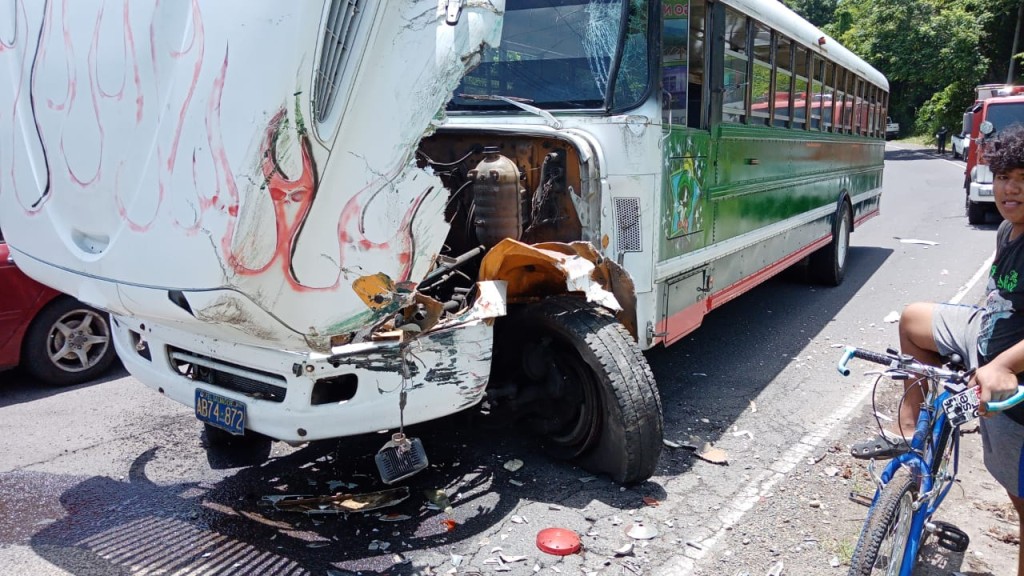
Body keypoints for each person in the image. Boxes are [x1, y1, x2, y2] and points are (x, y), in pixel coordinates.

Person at [852, 123, 1024, 575]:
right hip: (985, 332)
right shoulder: (1008, 231)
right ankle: (910, 436)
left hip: (1011, 369)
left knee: (1020, 499)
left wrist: (1002, 365)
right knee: (913, 320)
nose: (1012, 189)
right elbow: (998, 299)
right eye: (1005, 177)